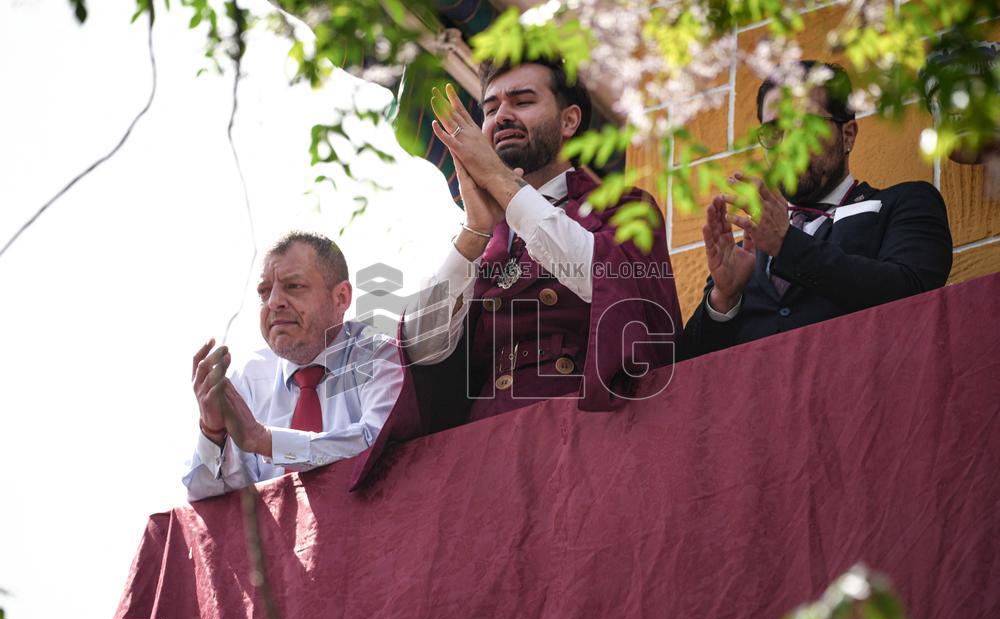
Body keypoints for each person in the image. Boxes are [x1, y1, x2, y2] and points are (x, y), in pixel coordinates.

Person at [405, 58, 681, 426]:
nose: (501, 116)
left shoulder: (626, 208)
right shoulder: (480, 236)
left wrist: (499, 181)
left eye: (522, 102)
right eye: (490, 109)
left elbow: (603, 281)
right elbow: (420, 350)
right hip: (486, 439)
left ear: (569, 121)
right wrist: (473, 233)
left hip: (589, 425)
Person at [681, 61, 953, 358]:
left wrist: (788, 245)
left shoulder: (905, 202)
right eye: (773, 132)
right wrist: (724, 299)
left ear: (847, 135)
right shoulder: (743, 253)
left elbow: (915, 296)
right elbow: (688, 374)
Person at [183, 232, 405, 501]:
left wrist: (266, 441)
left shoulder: (376, 354)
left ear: (341, 298)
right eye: (264, 292)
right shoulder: (249, 377)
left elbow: (381, 446)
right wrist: (213, 433)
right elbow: (208, 502)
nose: (274, 302)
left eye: (294, 286)